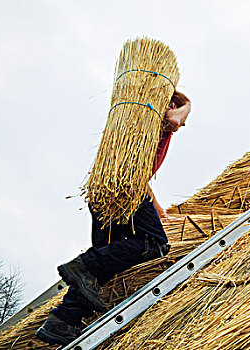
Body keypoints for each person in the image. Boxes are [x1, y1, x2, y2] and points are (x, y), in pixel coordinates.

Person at [35, 91, 191, 346]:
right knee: (155, 243)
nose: (184, 124)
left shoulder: (137, 125)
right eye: (183, 115)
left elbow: (145, 181)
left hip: (107, 185)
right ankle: (82, 265)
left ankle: (62, 321)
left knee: (107, 259)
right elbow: (174, 121)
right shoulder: (158, 114)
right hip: (126, 187)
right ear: (171, 104)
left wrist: (159, 211)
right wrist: (187, 105)